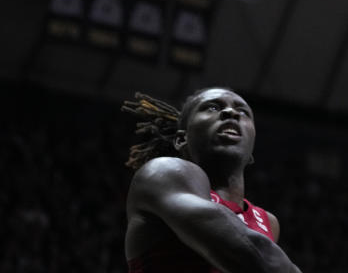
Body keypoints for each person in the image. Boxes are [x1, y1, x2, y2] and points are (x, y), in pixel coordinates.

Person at [121, 88, 302, 273]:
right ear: (182, 139)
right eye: (213, 107)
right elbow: (248, 252)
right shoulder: (161, 172)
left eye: (242, 111)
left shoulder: (268, 222)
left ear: (250, 151)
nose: (231, 112)